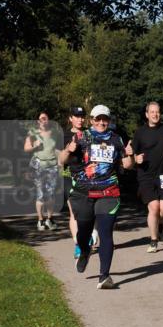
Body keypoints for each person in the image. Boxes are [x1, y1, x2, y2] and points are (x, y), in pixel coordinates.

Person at [59, 104, 134, 289]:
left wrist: (130, 156)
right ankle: (85, 251)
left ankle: (104, 276)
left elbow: (127, 165)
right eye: (98, 119)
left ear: (109, 120)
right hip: (83, 192)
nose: (101, 122)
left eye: (105, 119)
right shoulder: (81, 137)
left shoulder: (116, 139)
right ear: (92, 120)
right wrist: (68, 150)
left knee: (105, 232)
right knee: (83, 232)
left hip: (109, 191)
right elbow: (61, 161)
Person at [130, 101, 163, 253]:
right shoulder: (140, 132)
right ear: (147, 114)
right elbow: (132, 154)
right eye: (152, 112)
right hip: (146, 176)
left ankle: (160, 224)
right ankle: (154, 240)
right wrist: (136, 159)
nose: (155, 114)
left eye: (157, 112)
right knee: (154, 207)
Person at [63, 106, 96, 258]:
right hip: (70, 176)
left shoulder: (90, 134)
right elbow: (60, 159)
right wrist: (68, 149)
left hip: (89, 177)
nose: (80, 119)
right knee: (74, 212)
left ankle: (89, 235)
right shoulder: (64, 135)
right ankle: (78, 245)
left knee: (91, 210)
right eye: (76, 116)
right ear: (71, 118)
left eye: (82, 116)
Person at [23, 112, 60, 231]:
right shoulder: (33, 133)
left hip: (52, 166)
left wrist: (60, 161)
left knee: (51, 193)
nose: (43, 120)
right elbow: (26, 148)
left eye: (45, 118)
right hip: (38, 166)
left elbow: (58, 149)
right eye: (41, 119)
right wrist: (35, 146)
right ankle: (40, 220)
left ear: (48, 120)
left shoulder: (55, 133)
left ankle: (50, 219)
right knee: (40, 194)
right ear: (38, 121)